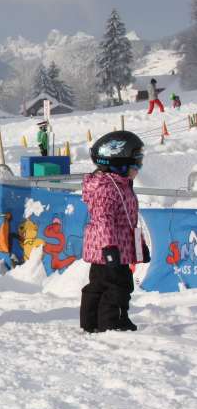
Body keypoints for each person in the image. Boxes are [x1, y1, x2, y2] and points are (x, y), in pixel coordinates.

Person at [80, 131, 148, 333]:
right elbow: (103, 220)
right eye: (136, 163)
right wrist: (109, 248)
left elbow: (129, 220)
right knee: (118, 286)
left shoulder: (119, 185)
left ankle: (92, 323)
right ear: (119, 163)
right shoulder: (106, 188)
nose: (139, 168)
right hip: (110, 249)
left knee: (100, 285)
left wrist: (140, 246)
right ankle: (113, 324)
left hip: (114, 248)